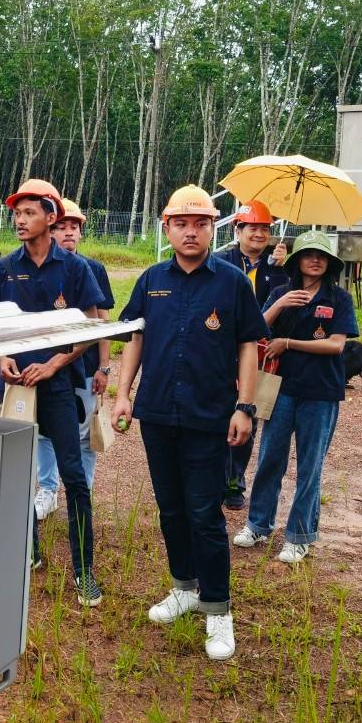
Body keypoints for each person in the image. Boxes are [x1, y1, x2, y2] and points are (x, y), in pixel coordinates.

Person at [112, 185, 267, 660]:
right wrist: (123, 394)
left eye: (201, 223)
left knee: (204, 515)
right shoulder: (152, 279)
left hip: (208, 417)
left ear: (213, 226)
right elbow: (136, 338)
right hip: (158, 412)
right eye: (181, 223)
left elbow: (247, 344)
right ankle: (184, 586)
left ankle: (217, 609)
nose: (191, 231)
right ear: (167, 228)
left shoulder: (231, 282)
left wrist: (245, 406)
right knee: (171, 508)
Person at [0, 178, 106, 606]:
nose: (20, 220)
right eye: (17, 213)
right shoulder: (3, 270)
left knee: (73, 477)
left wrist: (55, 363)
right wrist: (1, 360)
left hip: (56, 387)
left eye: (30, 212)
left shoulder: (74, 269)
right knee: (16, 474)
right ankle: (29, 554)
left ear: (51, 218)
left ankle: (84, 572)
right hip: (15, 388)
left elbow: (91, 329)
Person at [233, 231, 357, 563]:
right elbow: (254, 331)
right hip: (280, 388)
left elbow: (336, 345)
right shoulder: (280, 292)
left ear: (329, 263)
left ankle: (299, 536)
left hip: (321, 392)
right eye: (307, 255)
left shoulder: (339, 299)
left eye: (321, 256)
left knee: (309, 465)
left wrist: (288, 343)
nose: (314, 260)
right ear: (296, 261)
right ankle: (258, 524)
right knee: (270, 457)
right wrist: (279, 305)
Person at [31, 198, 113, 520]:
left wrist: (104, 366)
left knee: (84, 435)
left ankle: (83, 491)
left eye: (73, 227)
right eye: (61, 227)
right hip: (44, 366)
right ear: (50, 229)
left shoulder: (92, 269)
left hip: (84, 367)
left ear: (80, 232)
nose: (67, 233)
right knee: (45, 432)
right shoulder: (39, 266)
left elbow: (103, 320)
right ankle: (48, 489)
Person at [215, 200, 289, 509]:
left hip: (260, 354)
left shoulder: (280, 270)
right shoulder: (220, 261)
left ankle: (235, 479)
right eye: (253, 228)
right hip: (222, 351)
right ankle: (214, 475)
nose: (258, 234)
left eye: (264, 229)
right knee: (217, 412)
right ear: (239, 229)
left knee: (248, 415)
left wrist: (285, 270)